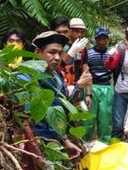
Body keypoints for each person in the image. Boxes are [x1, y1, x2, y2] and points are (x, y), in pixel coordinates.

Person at [25, 31, 85, 160]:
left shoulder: (57, 76)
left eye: (59, 53)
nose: (57, 58)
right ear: (37, 53)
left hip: (56, 141)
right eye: (51, 52)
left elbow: (60, 111)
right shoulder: (27, 77)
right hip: (36, 142)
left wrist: (65, 140)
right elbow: (32, 118)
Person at [85, 26, 114, 143]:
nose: (102, 41)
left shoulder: (111, 53)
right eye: (99, 38)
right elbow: (85, 71)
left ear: (107, 39)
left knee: (105, 118)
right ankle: (85, 143)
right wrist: (87, 92)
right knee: (88, 118)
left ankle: (105, 143)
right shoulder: (89, 53)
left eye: (104, 38)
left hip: (107, 86)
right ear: (95, 39)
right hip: (92, 86)